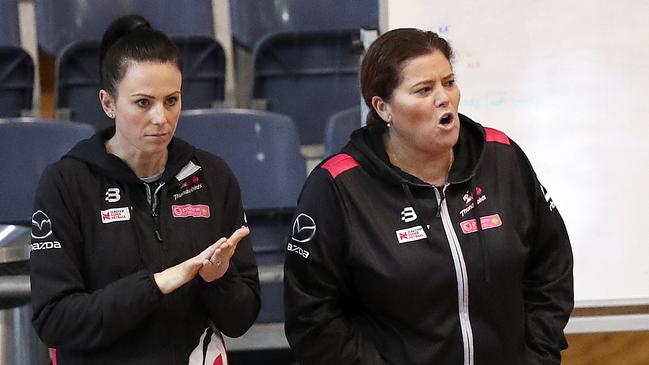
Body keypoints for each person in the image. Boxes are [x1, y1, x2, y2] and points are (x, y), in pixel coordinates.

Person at [284, 28, 574, 364]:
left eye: (448, 83)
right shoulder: (337, 185)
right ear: (383, 108)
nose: (444, 99)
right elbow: (312, 317)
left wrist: (538, 355)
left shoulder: (501, 156)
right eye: (424, 90)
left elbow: (551, 266)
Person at [30, 15, 260, 365]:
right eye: (143, 102)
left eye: (172, 100)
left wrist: (219, 281)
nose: (161, 118)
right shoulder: (66, 183)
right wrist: (154, 285)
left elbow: (242, 319)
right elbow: (55, 319)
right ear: (108, 103)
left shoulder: (213, 176)